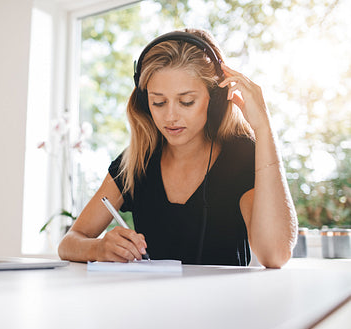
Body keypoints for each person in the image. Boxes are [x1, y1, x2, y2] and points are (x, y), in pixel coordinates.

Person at [58, 28, 298, 268]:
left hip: (223, 304)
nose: (170, 116)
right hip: (151, 303)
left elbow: (275, 254)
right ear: (145, 102)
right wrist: (99, 247)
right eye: (158, 102)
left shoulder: (239, 156)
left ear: (214, 99)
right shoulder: (136, 161)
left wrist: (263, 129)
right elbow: (69, 242)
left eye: (186, 101)